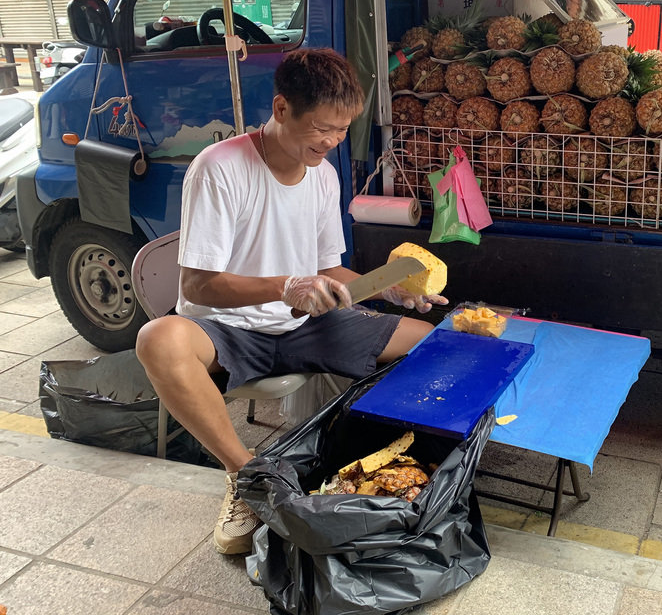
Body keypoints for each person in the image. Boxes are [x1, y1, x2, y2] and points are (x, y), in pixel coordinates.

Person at [135, 48, 446, 555]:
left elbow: (327, 270)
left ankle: (381, 458)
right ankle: (247, 474)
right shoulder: (219, 168)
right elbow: (196, 286)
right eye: (322, 128)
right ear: (281, 109)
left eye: (342, 130)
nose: (332, 142)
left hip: (305, 322)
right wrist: (284, 286)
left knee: (433, 343)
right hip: (226, 329)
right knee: (158, 339)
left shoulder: (321, 172)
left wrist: (385, 286)